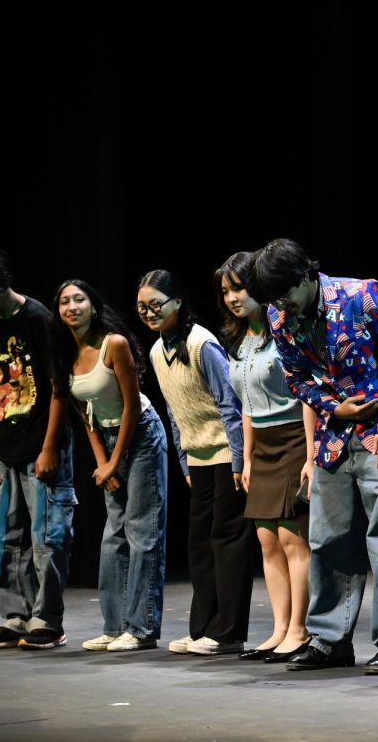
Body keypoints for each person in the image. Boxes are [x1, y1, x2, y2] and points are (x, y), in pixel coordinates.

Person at [247, 239, 378, 675]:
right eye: (272, 299)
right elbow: (296, 376)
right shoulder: (277, 315)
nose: (278, 306)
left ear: (306, 275)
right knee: (328, 541)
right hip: (333, 436)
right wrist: (331, 406)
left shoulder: (362, 295)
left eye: (284, 293)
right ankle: (329, 638)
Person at [0, 245, 76, 650]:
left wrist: (49, 448)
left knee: (47, 537)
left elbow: (60, 388)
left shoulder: (39, 319)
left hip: (41, 444)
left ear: (5, 281)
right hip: (5, 447)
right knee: (3, 538)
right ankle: (15, 616)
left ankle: (48, 619)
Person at [136, 269, 256, 656]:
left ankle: (229, 632)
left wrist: (239, 460)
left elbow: (229, 405)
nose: (149, 312)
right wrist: (185, 462)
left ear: (177, 303)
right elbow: (173, 411)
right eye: (142, 307)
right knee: (199, 543)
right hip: (198, 456)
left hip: (225, 453)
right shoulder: (157, 351)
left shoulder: (202, 344)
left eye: (156, 304)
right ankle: (203, 626)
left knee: (227, 540)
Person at [51, 280, 169, 652]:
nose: (72, 306)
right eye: (65, 302)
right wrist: (103, 464)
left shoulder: (113, 344)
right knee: (112, 536)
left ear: (93, 306)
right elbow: (85, 414)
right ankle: (115, 625)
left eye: (79, 299)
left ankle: (142, 627)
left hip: (141, 436)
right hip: (106, 437)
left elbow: (133, 407)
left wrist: (116, 460)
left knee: (142, 533)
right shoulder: (66, 353)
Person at [214, 252, 314, 663]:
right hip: (264, 446)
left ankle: (300, 629)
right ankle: (278, 628)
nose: (233, 298)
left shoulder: (285, 330)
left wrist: (311, 454)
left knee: (292, 538)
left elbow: (307, 393)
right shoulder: (239, 341)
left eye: (239, 288)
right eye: (225, 291)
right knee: (266, 539)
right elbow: (246, 406)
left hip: (294, 437)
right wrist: (246, 459)